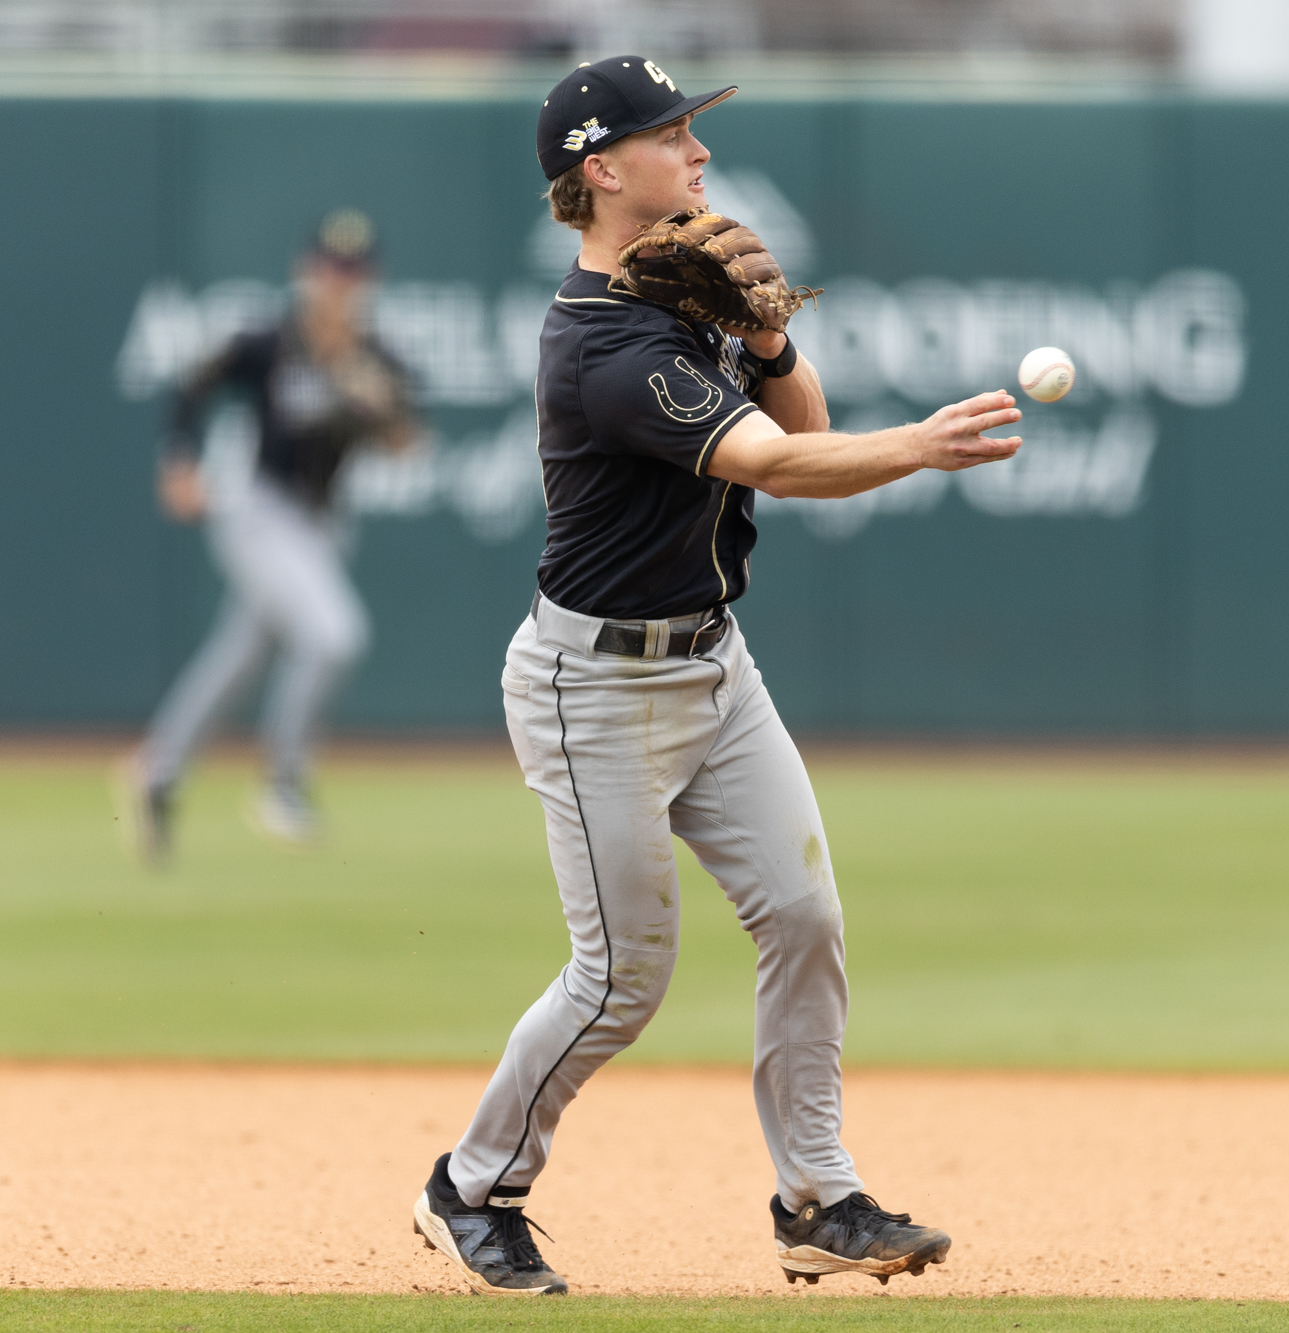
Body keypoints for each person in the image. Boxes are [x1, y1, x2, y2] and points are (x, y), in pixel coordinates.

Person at [408, 57, 1024, 1296]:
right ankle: (471, 1185)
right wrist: (921, 445)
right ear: (600, 169)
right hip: (596, 693)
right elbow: (780, 468)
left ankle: (819, 1199)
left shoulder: (680, 308)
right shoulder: (603, 348)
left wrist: (766, 331)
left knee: (802, 918)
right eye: (671, 134)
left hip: (710, 664)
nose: (696, 153)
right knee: (622, 977)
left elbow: (799, 419)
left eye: (694, 131)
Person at [124, 211, 418, 856]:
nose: (340, 283)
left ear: (370, 279)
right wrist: (179, 460)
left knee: (241, 656)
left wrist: (378, 409)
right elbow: (192, 385)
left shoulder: (377, 355)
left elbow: (407, 445)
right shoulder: (268, 340)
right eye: (330, 270)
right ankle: (283, 784)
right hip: (258, 511)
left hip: (323, 523)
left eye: (353, 272)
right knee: (334, 637)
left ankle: (156, 772)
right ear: (306, 271)